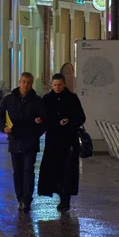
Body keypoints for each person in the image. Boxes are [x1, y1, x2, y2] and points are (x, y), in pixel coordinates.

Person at [0, 72, 45, 213]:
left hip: (30, 141)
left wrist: (36, 130)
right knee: (17, 171)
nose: (25, 85)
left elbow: (43, 121)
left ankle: (26, 199)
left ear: (32, 84)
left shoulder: (37, 101)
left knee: (28, 170)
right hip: (15, 140)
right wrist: (4, 128)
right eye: (23, 82)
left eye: (28, 83)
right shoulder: (9, 100)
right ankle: (19, 197)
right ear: (19, 82)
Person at [38, 73, 86, 212]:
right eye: (55, 85)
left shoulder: (72, 98)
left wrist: (69, 121)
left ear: (64, 84)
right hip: (53, 141)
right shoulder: (47, 99)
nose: (57, 87)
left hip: (69, 141)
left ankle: (66, 199)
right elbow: (44, 117)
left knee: (68, 170)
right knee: (55, 169)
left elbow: (81, 117)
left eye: (59, 85)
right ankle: (59, 194)